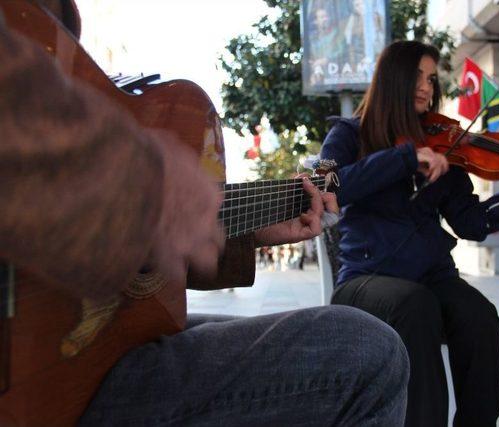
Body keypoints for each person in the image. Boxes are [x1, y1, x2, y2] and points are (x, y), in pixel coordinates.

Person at [0, 2, 410, 426]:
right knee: (367, 351)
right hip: (42, 378)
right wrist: (138, 176)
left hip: (79, 355)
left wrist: (242, 229)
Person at [321, 40, 499, 427]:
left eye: (432, 78)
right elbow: (327, 186)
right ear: (393, 79)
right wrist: (403, 159)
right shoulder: (350, 134)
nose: (427, 86)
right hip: (365, 279)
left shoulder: (444, 145)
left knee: (480, 317)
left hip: (431, 277)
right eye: (417, 76)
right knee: (415, 306)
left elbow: (473, 222)